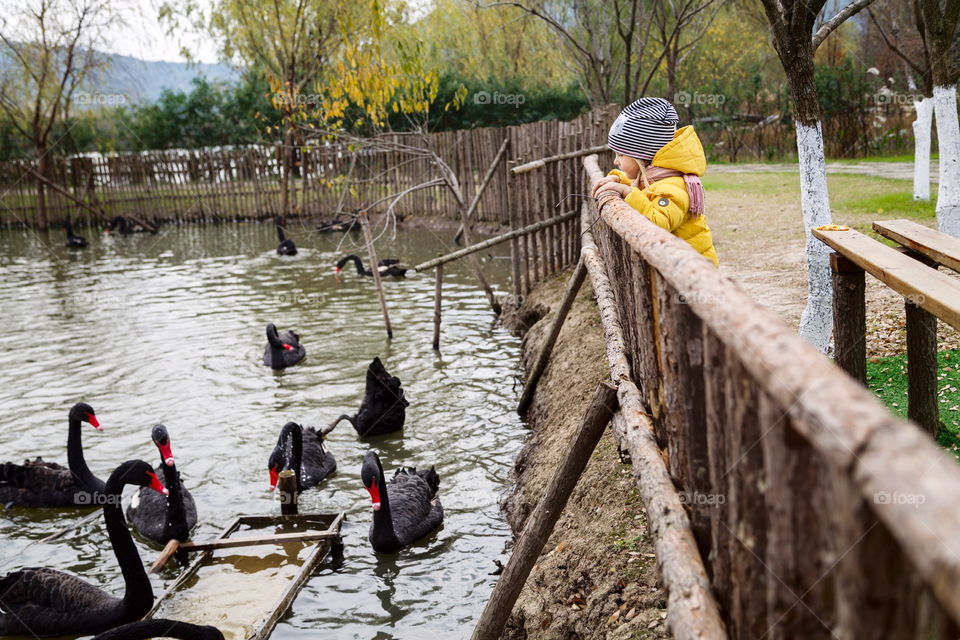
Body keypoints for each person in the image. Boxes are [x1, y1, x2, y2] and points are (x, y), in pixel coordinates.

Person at [591, 98, 719, 266]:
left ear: (642, 157)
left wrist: (626, 192)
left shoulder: (674, 186)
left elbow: (657, 222)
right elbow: (644, 188)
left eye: (621, 155)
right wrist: (618, 178)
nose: (616, 161)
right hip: (674, 268)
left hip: (694, 274)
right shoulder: (657, 177)